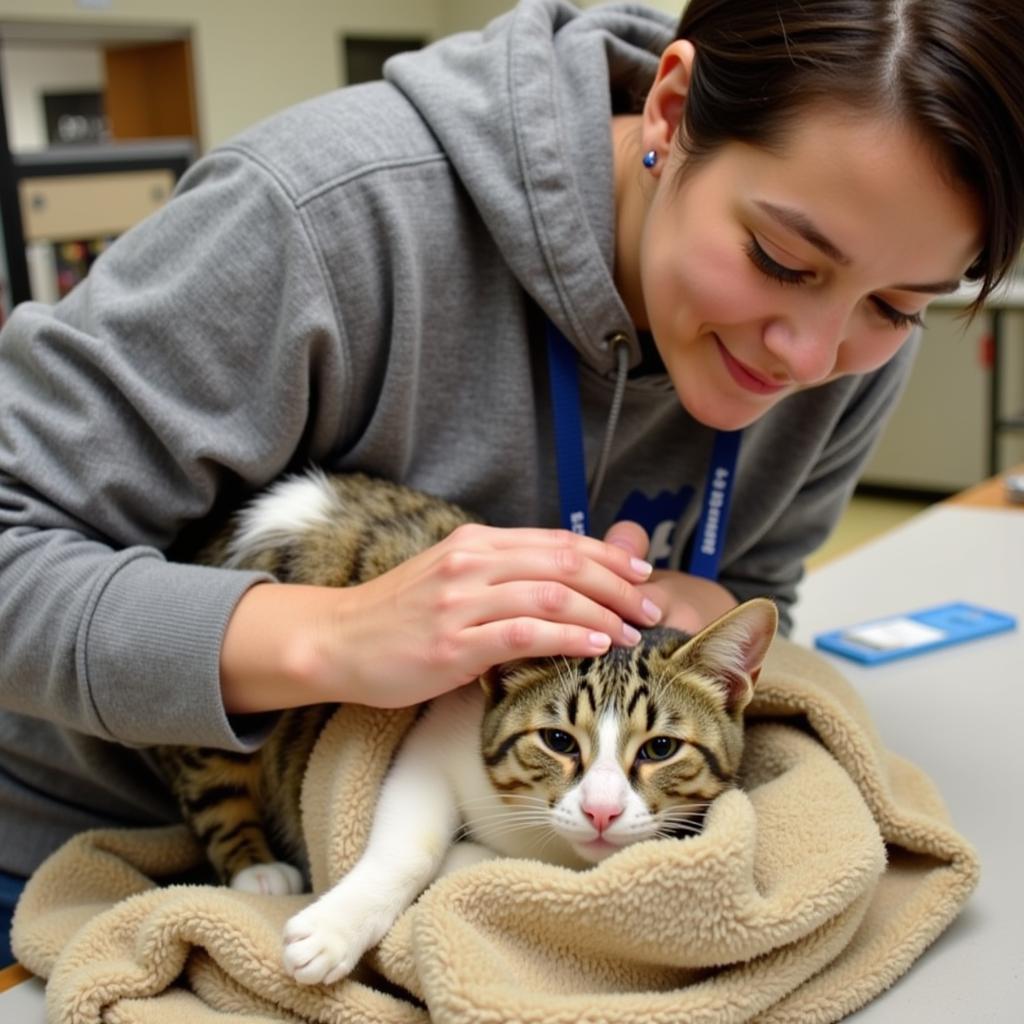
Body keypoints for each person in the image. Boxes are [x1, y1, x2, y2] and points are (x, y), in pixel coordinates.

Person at [1, 0, 1022, 967]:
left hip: (472, 845)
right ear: (668, 110)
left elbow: (756, 576)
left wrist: (704, 611)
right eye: (778, 257)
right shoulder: (322, 214)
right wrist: (331, 636)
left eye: (896, 304)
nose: (811, 355)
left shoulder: (851, 349)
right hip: (81, 848)